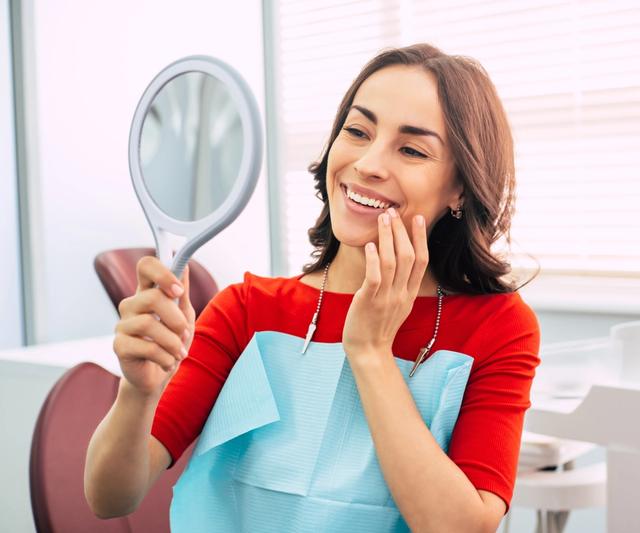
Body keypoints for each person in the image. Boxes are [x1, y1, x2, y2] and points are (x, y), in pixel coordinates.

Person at [85, 43, 540, 533]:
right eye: (357, 131)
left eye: (411, 149)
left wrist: (369, 350)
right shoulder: (247, 310)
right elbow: (110, 497)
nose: (368, 163)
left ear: (460, 188)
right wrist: (136, 393)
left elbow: (460, 527)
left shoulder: (498, 329)